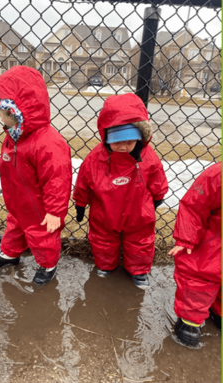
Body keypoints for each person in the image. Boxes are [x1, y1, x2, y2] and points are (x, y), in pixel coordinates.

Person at [0, 66, 72, 286]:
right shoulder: (14, 134)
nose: (1, 118)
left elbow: (58, 181)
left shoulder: (49, 143)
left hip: (40, 208)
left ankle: (47, 264)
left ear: (20, 111)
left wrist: (54, 212)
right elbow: (10, 155)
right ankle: (10, 253)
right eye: (1, 112)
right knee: (14, 226)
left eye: (6, 113)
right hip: (18, 200)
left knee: (42, 237)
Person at [73, 93, 168, 289]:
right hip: (105, 213)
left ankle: (139, 270)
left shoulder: (148, 157)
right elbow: (83, 182)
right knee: (103, 241)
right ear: (106, 136)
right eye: (117, 141)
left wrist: (158, 197)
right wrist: (80, 204)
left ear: (140, 137)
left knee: (140, 243)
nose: (124, 147)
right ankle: (106, 265)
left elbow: (158, 179)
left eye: (130, 141)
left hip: (138, 214)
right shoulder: (95, 158)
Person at [169, 162, 221, 346]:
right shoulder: (217, 174)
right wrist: (186, 237)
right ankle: (190, 321)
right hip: (213, 245)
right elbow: (194, 207)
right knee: (198, 282)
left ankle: (219, 312)